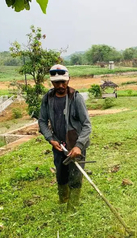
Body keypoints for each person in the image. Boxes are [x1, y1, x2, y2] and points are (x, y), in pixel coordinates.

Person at [38, 64, 92, 211]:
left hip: (76, 145)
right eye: (56, 83)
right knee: (61, 175)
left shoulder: (76, 98)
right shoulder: (47, 99)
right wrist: (50, 138)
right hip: (58, 145)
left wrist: (79, 145)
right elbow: (42, 121)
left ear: (69, 80)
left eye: (63, 82)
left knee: (75, 177)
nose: (60, 85)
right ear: (51, 82)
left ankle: (72, 207)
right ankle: (63, 200)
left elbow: (87, 125)